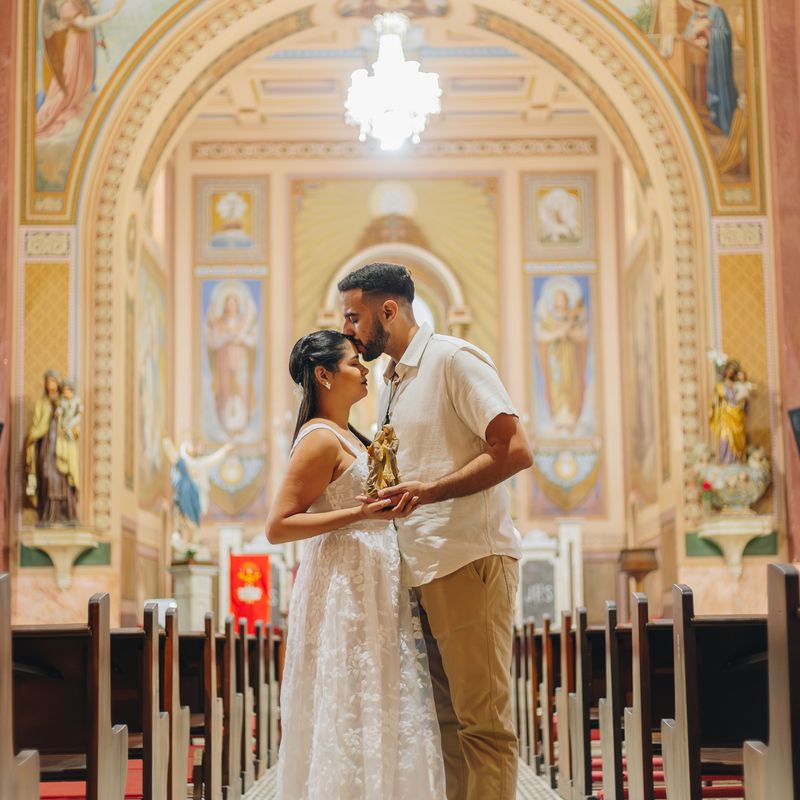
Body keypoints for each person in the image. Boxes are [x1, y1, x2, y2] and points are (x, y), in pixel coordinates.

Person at [339, 263, 533, 800]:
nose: (349, 331)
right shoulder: (392, 386)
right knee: (448, 723)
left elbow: (515, 451)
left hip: (469, 558)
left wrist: (426, 491)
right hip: (422, 565)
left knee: (484, 726)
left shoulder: (453, 359)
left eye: (354, 318)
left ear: (389, 311)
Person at [266, 330, 445, 799]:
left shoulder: (349, 434)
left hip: (373, 575)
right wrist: (360, 514)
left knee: (382, 695)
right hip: (344, 583)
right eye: (352, 363)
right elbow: (279, 525)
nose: (363, 368)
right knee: (351, 696)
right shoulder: (319, 439)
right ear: (323, 375)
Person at [25, 369, 78, 523]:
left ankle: (65, 513)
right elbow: (37, 424)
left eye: (53, 381)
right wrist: (32, 437)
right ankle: (47, 513)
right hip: (46, 444)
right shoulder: (41, 403)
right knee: (47, 475)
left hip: (62, 444)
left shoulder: (64, 401)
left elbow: (73, 419)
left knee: (62, 476)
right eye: (48, 382)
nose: (50, 384)